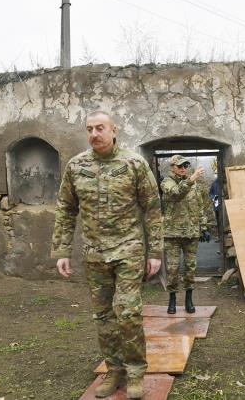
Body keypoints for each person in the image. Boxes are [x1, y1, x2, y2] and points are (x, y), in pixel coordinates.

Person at [51, 111, 162, 399]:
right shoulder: (77, 166)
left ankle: (136, 372)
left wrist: (156, 251)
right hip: (94, 253)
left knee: (127, 312)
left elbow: (152, 209)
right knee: (103, 316)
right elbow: (65, 209)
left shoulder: (134, 163)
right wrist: (62, 250)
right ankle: (114, 370)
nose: (94, 134)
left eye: (100, 128)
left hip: (128, 249)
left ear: (114, 130)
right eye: (89, 129)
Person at [161, 155, 214, 314]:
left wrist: (204, 227)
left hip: (191, 233)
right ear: (172, 167)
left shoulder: (195, 184)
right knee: (173, 269)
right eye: (180, 166)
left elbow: (202, 206)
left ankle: (189, 300)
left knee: (190, 268)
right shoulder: (167, 182)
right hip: (173, 234)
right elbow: (177, 193)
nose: (183, 168)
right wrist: (191, 179)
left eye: (185, 165)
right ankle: (172, 300)